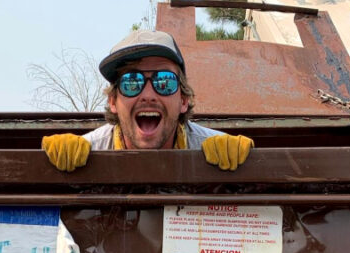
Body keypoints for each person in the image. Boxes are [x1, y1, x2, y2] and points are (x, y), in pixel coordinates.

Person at [42, 30, 254, 172]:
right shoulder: (86, 154)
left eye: (164, 81)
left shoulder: (214, 152)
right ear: (113, 101)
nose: (148, 94)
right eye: (131, 82)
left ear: (183, 100)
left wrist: (248, 169)